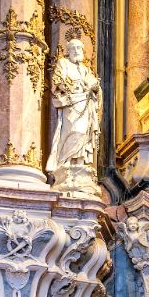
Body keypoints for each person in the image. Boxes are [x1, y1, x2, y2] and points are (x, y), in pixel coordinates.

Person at [46, 37, 101, 189]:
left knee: (83, 133)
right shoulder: (63, 63)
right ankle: (65, 163)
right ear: (68, 51)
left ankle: (79, 163)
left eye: (79, 48)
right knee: (72, 131)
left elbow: (94, 85)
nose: (76, 51)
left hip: (85, 104)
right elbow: (57, 80)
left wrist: (95, 87)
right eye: (73, 48)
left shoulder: (85, 69)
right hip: (71, 104)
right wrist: (71, 88)